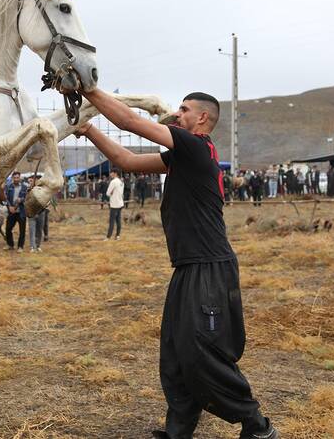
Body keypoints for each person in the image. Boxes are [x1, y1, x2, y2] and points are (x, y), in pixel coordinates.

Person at [77, 89, 278, 439]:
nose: (177, 113)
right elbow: (127, 161)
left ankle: (257, 426)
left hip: (209, 267)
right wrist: (89, 129)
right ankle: (178, 431)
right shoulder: (184, 155)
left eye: (183, 109)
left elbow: (129, 121)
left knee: (203, 352)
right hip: (189, 267)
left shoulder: (195, 145)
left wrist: (87, 90)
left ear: (202, 118)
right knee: (175, 352)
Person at [4, 171, 27, 251]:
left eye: (18, 177)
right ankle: (10, 245)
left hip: (21, 211)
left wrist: (21, 199)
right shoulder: (8, 186)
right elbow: (5, 198)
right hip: (11, 211)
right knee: (8, 229)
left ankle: (20, 246)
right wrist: (9, 206)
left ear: (20, 178)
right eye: (15, 178)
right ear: (12, 178)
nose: (16, 179)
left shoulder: (24, 187)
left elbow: (27, 198)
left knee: (22, 230)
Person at [26, 176, 46, 252]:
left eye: (38, 180)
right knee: (32, 230)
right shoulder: (28, 190)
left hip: (41, 212)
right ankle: (32, 246)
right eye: (33, 180)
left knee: (39, 230)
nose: (35, 182)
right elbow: (27, 200)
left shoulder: (43, 190)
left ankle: (38, 246)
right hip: (31, 213)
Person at [105, 169, 124, 240]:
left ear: (115, 173)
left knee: (112, 221)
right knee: (118, 220)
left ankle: (108, 237)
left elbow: (107, 193)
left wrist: (111, 193)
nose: (110, 174)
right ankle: (118, 236)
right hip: (120, 203)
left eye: (111, 173)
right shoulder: (121, 182)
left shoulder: (113, 182)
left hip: (114, 204)